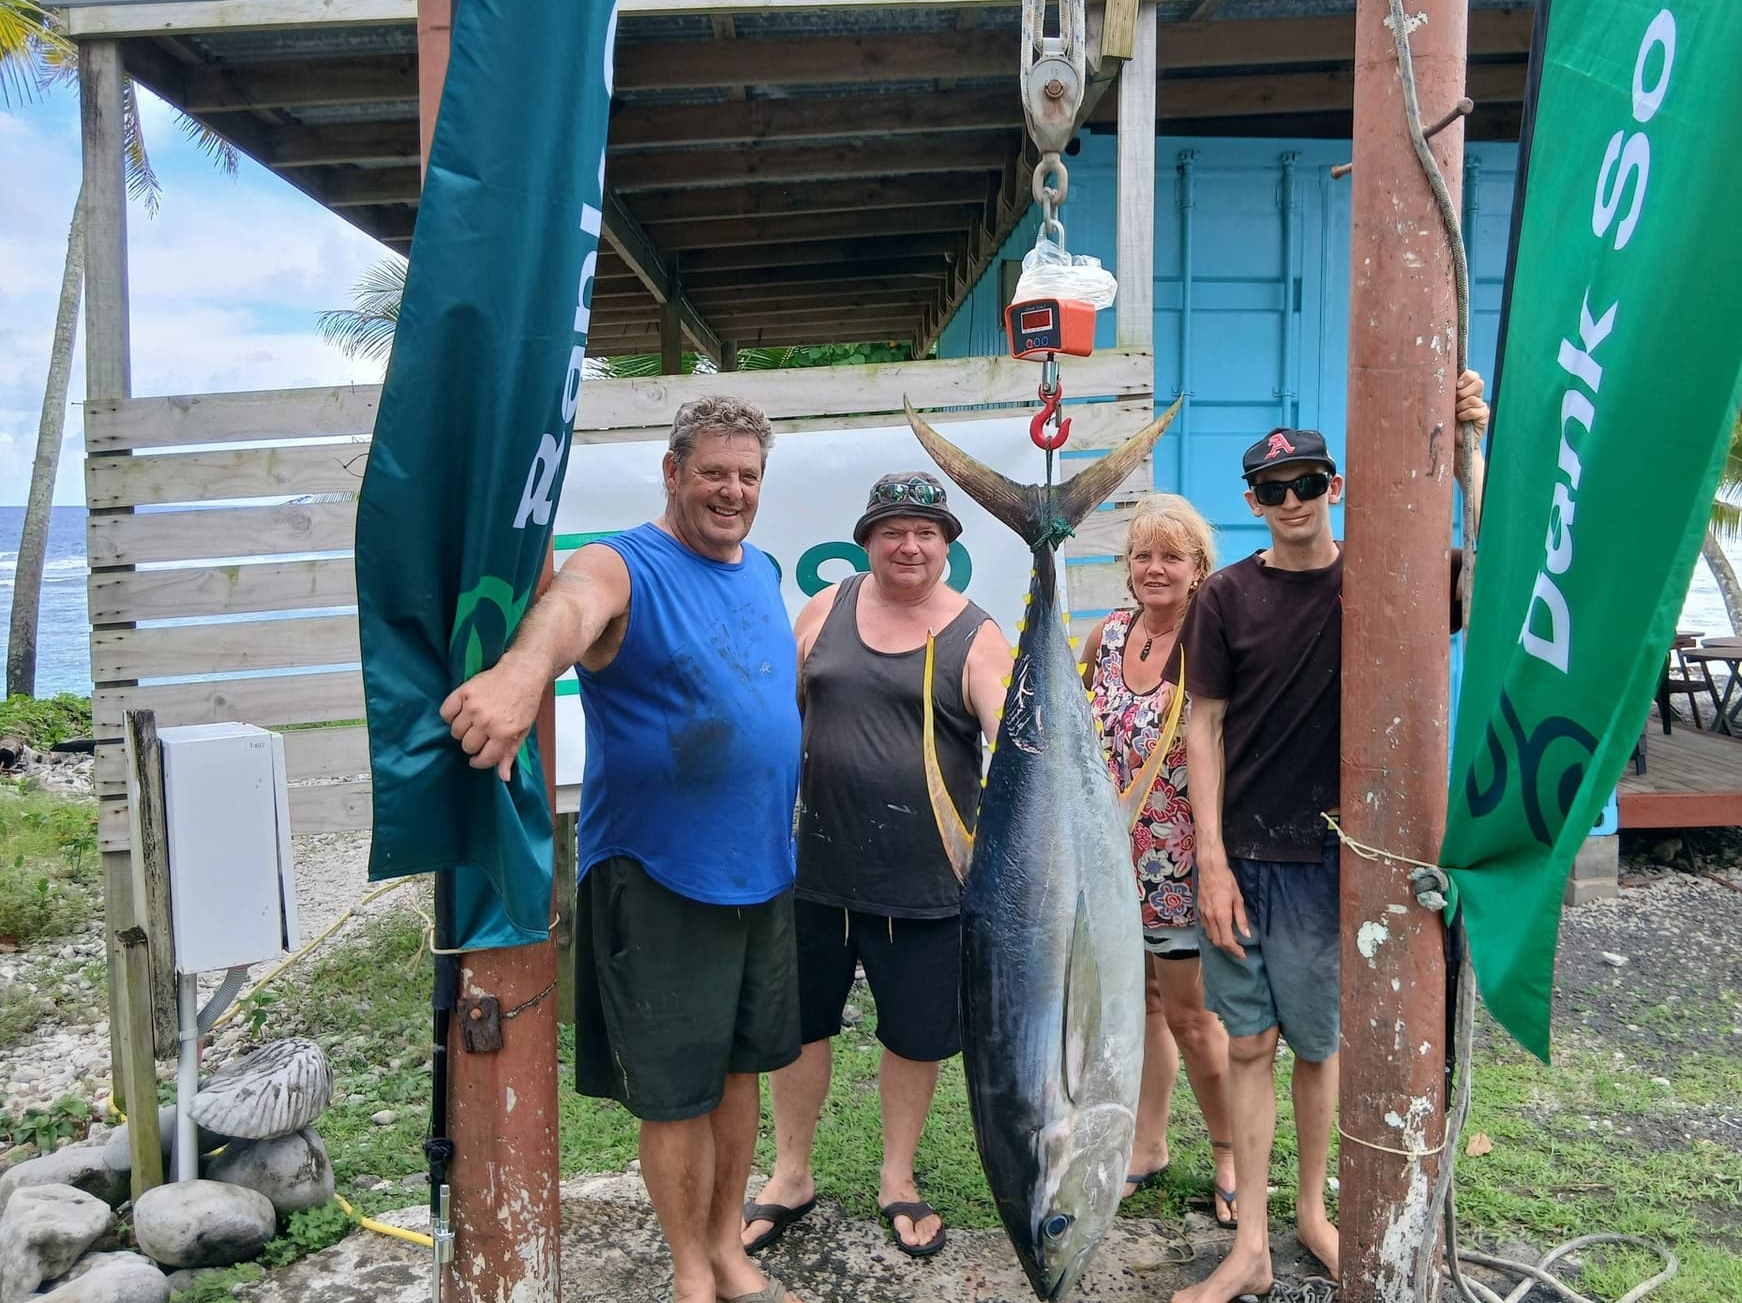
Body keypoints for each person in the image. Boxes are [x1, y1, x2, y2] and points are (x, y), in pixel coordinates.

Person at [440, 395, 808, 1303]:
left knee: (740, 1074)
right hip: (658, 874)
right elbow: (569, 610)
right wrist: (521, 675)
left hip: (762, 872)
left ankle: (726, 1248)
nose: (732, 490)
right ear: (673, 472)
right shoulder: (624, 562)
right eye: (713, 472)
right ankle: (691, 1273)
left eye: (748, 475)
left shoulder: (762, 570)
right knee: (676, 1092)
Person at [1170, 372, 1490, 1303]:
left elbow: (1496, 579)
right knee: (1247, 1046)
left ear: (1334, 487)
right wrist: (1210, 862)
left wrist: (1468, 455)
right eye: (1273, 490)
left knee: (1317, 1048)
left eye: (1307, 483)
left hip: (1330, 861)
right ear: (1252, 503)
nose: (1292, 501)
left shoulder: (1386, 579)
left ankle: (1313, 1212)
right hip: (1243, 858)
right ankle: (1252, 1246)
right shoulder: (1224, 597)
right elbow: (1202, 729)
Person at [742, 471, 1011, 1261]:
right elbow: (778, 716)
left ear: (948, 546)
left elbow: (1012, 741)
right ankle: (791, 1173)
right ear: (866, 541)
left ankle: (897, 1177)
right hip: (813, 871)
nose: (910, 545)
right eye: (894, 530)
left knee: (915, 1037)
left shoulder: (977, 635)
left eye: (927, 532)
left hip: (927, 885)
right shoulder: (825, 608)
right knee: (800, 1028)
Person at [1077, 492, 1238, 1227]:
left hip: (1179, 864)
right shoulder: (1108, 636)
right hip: (1110, 864)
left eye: (1172, 556)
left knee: (1191, 1016)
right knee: (1138, 1007)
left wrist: (1217, 857)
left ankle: (1229, 1151)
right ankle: (1148, 1143)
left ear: (1199, 567)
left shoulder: (1213, 639)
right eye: (1143, 554)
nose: (1155, 568)